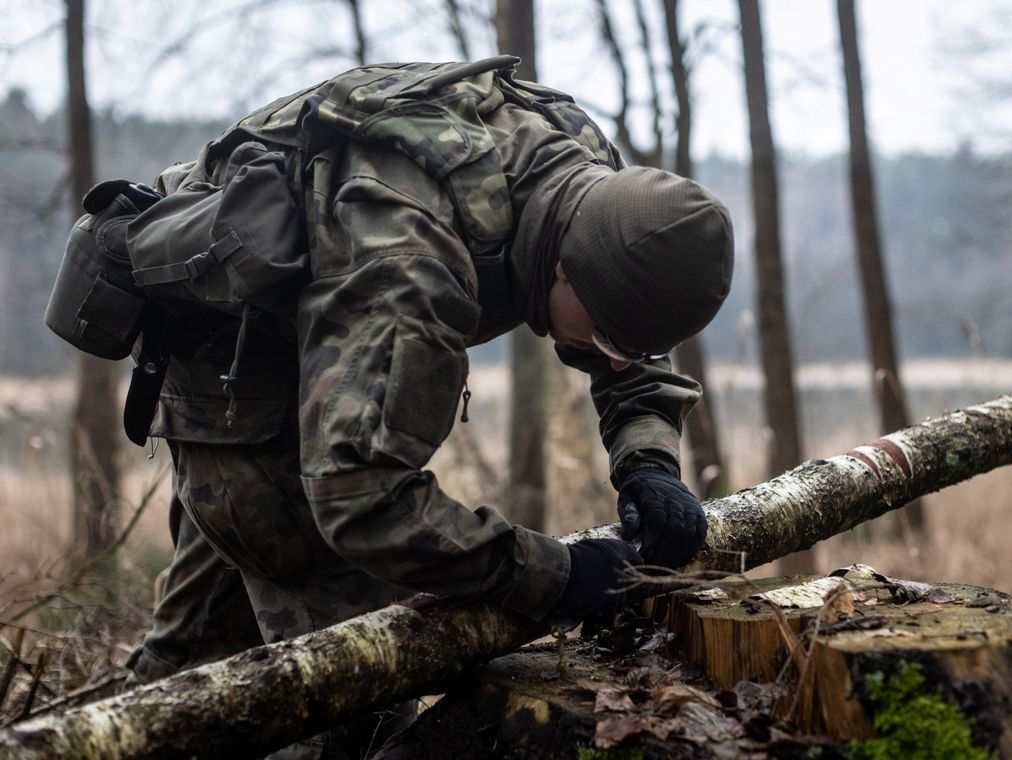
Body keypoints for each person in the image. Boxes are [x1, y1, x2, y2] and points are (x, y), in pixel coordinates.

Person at [53, 56, 733, 756]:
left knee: (187, 657)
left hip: (320, 343)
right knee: (347, 699)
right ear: (563, 265)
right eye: (608, 337)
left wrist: (649, 463)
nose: (614, 359)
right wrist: (556, 578)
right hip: (241, 390)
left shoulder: (595, 183)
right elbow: (360, 496)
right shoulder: (409, 255)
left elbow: (633, 346)